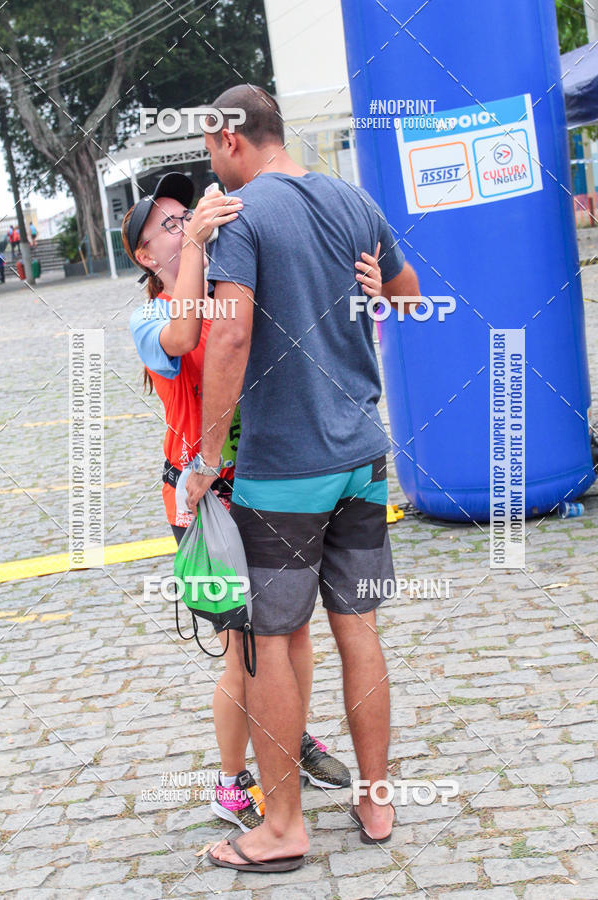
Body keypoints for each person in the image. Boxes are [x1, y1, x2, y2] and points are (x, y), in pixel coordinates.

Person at [176, 84, 421, 873]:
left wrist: (205, 459)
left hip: (285, 470)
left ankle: (282, 828)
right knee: (359, 628)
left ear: (231, 139)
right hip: (362, 459)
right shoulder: (353, 201)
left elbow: (228, 336)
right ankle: (375, 799)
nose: (213, 168)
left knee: (267, 644)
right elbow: (411, 299)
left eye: (211, 150)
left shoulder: (242, 216)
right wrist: (376, 292)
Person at [122, 172, 365, 830]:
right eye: (168, 226)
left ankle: (285, 731)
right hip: (205, 500)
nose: (183, 225)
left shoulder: (230, 293)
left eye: (185, 214)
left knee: (291, 631)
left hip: (266, 482)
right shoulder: (150, 318)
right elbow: (182, 338)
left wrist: (369, 285)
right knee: (244, 649)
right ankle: (231, 784)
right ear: (145, 255)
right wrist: (197, 247)